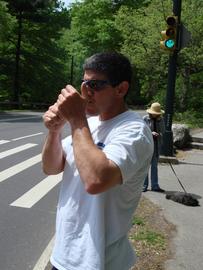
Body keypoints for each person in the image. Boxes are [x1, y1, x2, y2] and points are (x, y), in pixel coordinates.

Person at [42, 52, 153, 270]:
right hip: (63, 256)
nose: (85, 91)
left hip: (101, 262)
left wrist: (75, 119)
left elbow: (96, 181)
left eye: (95, 84)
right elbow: (51, 167)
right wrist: (54, 132)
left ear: (120, 89)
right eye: (84, 83)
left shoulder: (134, 130)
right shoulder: (88, 124)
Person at [142, 102, 165, 192]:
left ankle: (155, 186)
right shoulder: (145, 119)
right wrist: (150, 133)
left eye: (157, 114)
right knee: (145, 167)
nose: (155, 115)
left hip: (156, 146)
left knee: (154, 166)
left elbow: (163, 131)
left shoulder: (161, 119)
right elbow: (142, 131)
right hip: (146, 146)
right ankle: (144, 186)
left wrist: (158, 132)